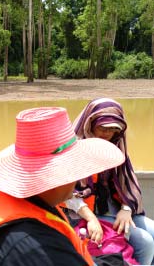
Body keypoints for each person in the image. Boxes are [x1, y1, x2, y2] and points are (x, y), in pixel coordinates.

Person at [0, 107, 126, 266]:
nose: (78, 177)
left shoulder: (0, 196)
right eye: (76, 166)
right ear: (58, 174)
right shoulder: (39, 246)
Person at [65, 98, 154, 265]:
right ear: (89, 124)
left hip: (115, 208)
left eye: (113, 129)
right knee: (145, 242)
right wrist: (92, 219)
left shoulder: (117, 148)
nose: (107, 134)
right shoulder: (73, 152)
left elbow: (128, 184)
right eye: (102, 128)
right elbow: (65, 195)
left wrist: (126, 209)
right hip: (81, 212)